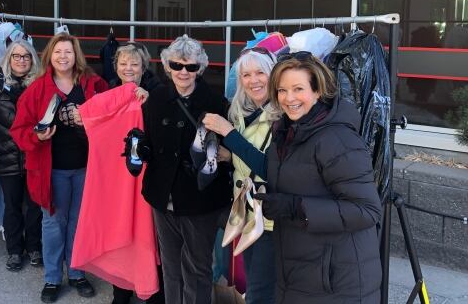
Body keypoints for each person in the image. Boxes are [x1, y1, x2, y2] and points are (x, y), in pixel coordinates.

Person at [207, 52, 382, 303]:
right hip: (299, 264)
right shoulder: (287, 133)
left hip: (335, 278)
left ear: (318, 91)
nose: (289, 98)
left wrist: (295, 206)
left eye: (298, 89)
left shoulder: (337, 139)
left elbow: (367, 210)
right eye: (282, 90)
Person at [128, 35, 232, 304]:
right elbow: (149, 141)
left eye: (191, 67)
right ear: (167, 66)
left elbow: (226, 151)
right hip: (163, 197)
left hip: (200, 199)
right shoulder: (156, 98)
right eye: (177, 65)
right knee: (171, 267)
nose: (183, 72)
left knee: (197, 269)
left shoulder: (216, 102)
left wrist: (225, 155)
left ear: (200, 68)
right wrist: (141, 150)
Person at [10, 33, 108, 303]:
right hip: (51, 170)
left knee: (79, 223)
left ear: (76, 55)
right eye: (58, 52)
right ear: (49, 56)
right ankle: (53, 278)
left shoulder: (93, 84)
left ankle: (77, 272)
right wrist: (36, 136)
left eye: (68, 51)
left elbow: (112, 113)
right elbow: (18, 130)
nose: (63, 56)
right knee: (54, 223)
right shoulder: (37, 90)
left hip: (86, 168)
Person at [202, 47, 279, 304]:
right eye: (246, 75)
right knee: (255, 284)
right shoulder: (243, 112)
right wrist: (227, 155)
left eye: (260, 73)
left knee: (260, 291)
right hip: (247, 214)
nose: (253, 80)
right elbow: (248, 158)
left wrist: (229, 135)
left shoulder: (282, 117)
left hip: (269, 219)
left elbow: (270, 168)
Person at [0, 40, 43, 272]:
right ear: (8, 60)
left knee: (34, 206)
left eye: (26, 56)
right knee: (12, 206)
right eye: (16, 56)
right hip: (7, 158)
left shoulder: (41, 88)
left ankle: (34, 246)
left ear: (32, 60)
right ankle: (14, 250)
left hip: (34, 157)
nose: (21, 60)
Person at [102, 43, 165, 304]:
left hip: (146, 173)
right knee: (119, 232)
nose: (128, 68)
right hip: (116, 174)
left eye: (134, 64)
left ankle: (152, 290)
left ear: (143, 67)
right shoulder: (108, 91)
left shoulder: (157, 91)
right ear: (116, 66)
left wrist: (148, 102)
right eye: (123, 63)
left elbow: (163, 127)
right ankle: (121, 290)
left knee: (148, 232)